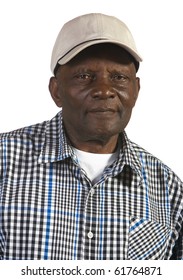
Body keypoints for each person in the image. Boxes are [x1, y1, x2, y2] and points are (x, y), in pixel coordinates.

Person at [0, 13, 182, 260]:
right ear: (56, 91)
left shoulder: (169, 189)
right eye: (84, 76)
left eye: (118, 77)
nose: (104, 90)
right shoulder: (5, 161)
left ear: (136, 90)